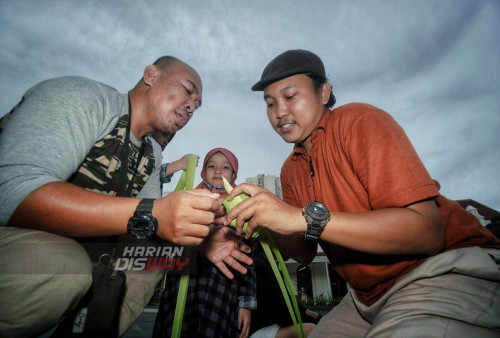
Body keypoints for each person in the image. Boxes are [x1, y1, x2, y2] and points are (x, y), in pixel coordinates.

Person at [225, 49, 500, 337]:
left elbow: (426, 233)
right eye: (270, 104)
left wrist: (302, 218)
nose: (280, 112)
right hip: (364, 297)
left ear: (323, 93)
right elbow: (304, 253)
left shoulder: (359, 120)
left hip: (441, 269)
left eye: (290, 96)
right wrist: (266, 219)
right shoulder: (290, 169)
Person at [0, 56, 252, 337]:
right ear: (151, 75)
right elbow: (12, 191)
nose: (192, 106)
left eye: (197, 103)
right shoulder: (84, 97)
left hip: (87, 251)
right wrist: (153, 213)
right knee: (65, 264)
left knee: (154, 260)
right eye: (187, 90)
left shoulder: (152, 154)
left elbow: (145, 230)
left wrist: (198, 244)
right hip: (20, 240)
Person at [153, 147, 257, 338]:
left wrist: (245, 304)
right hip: (183, 282)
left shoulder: (240, 207)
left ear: (233, 174)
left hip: (222, 287)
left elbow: (246, 259)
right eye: (211, 166)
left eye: (225, 167)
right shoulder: (188, 199)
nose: (218, 171)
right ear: (203, 172)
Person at [249, 245, 317, 338]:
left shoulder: (271, 266)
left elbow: (287, 301)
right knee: (311, 329)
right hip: (258, 328)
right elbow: (279, 309)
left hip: (272, 323)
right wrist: (309, 318)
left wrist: (313, 315)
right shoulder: (260, 266)